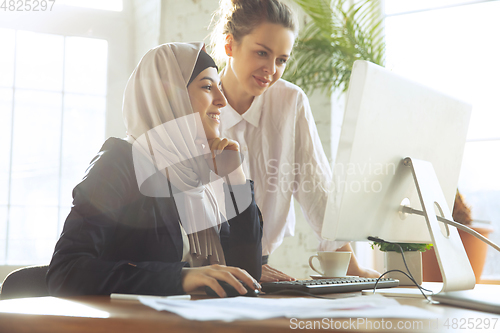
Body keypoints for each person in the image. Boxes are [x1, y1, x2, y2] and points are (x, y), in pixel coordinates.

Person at [46, 42, 263, 298]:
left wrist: (234, 179)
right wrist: (180, 278)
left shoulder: (198, 173)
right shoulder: (119, 163)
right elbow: (65, 272)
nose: (222, 100)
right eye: (207, 86)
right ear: (170, 96)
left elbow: (246, 273)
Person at [210, 0, 380, 281]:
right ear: (230, 45)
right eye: (261, 53)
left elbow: (318, 188)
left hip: (261, 268)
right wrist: (243, 264)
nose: (271, 69)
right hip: (203, 269)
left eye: (281, 60)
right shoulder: (199, 103)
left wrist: (351, 269)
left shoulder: (290, 102)